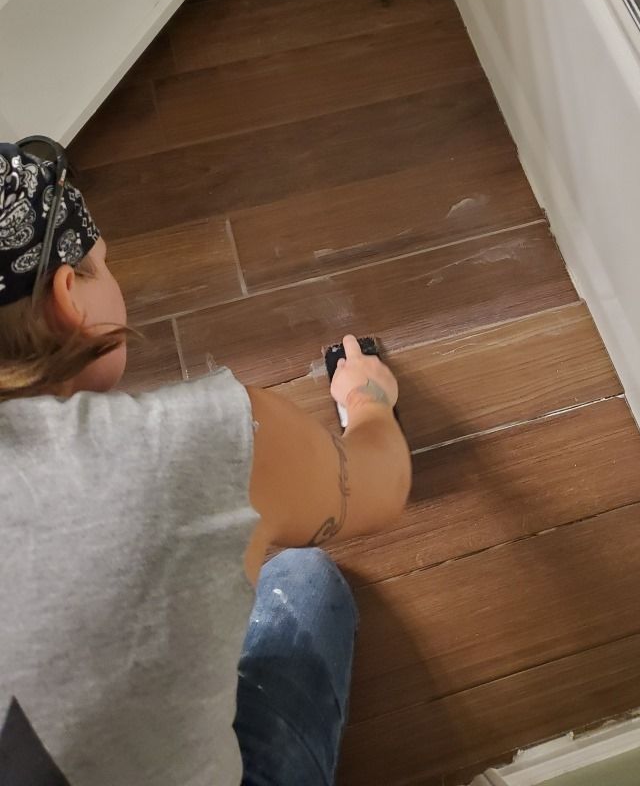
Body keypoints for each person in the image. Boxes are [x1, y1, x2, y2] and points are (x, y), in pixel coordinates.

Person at [0, 137, 411, 786]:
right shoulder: (187, 445)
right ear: (68, 299)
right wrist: (368, 402)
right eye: (100, 265)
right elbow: (382, 486)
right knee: (304, 581)